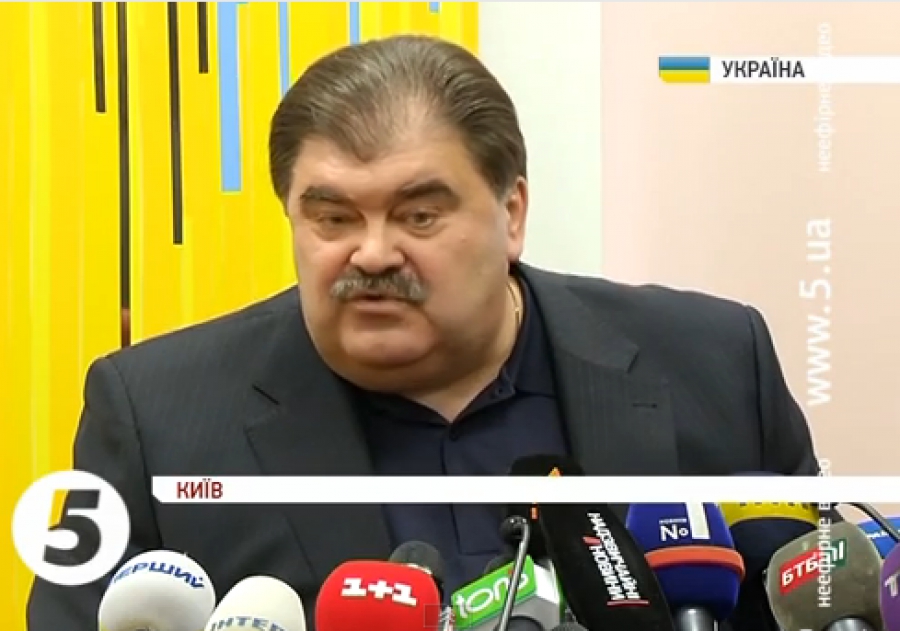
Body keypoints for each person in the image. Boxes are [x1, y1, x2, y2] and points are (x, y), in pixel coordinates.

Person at [28, 35, 821, 631]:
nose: (372, 253)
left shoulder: (716, 364)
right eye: (333, 217)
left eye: (418, 214)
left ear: (511, 213)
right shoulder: (155, 417)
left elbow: (827, 593)